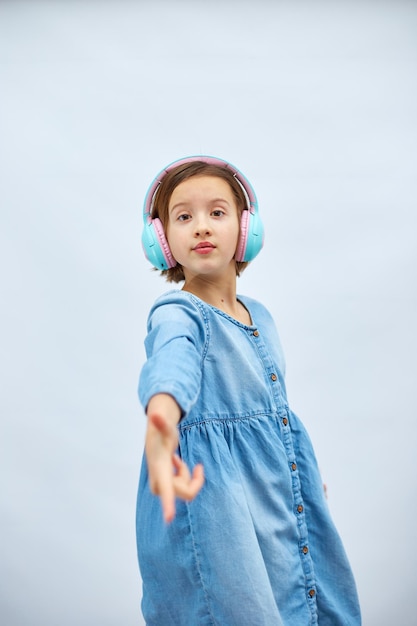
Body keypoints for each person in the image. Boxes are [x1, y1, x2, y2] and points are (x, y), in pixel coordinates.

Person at [136, 156, 361, 625]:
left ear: (245, 229)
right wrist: (160, 432)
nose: (201, 226)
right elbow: (170, 368)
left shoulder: (260, 315)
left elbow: (272, 414)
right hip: (217, 509)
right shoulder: (178, 313)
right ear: (162, 242)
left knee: (301, 598)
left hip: (272, 500)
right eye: (183, 216)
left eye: (217, 213)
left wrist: (290, 470)